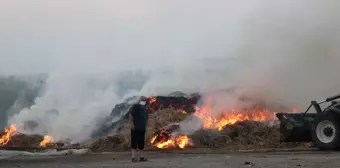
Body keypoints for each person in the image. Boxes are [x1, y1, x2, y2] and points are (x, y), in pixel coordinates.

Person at [129, 96, 149, 162]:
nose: (144, 101)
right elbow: (131, 115)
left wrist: (145, 125)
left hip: (142, 128)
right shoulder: (135, 106)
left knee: (141, 142)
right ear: (140, 100)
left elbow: (146, 118)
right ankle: (133, 157)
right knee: (134, 142)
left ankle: (141, 157)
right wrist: (132, 124)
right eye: (142, 100)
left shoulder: (145, 108)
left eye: (144, 100)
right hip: (135, 127)